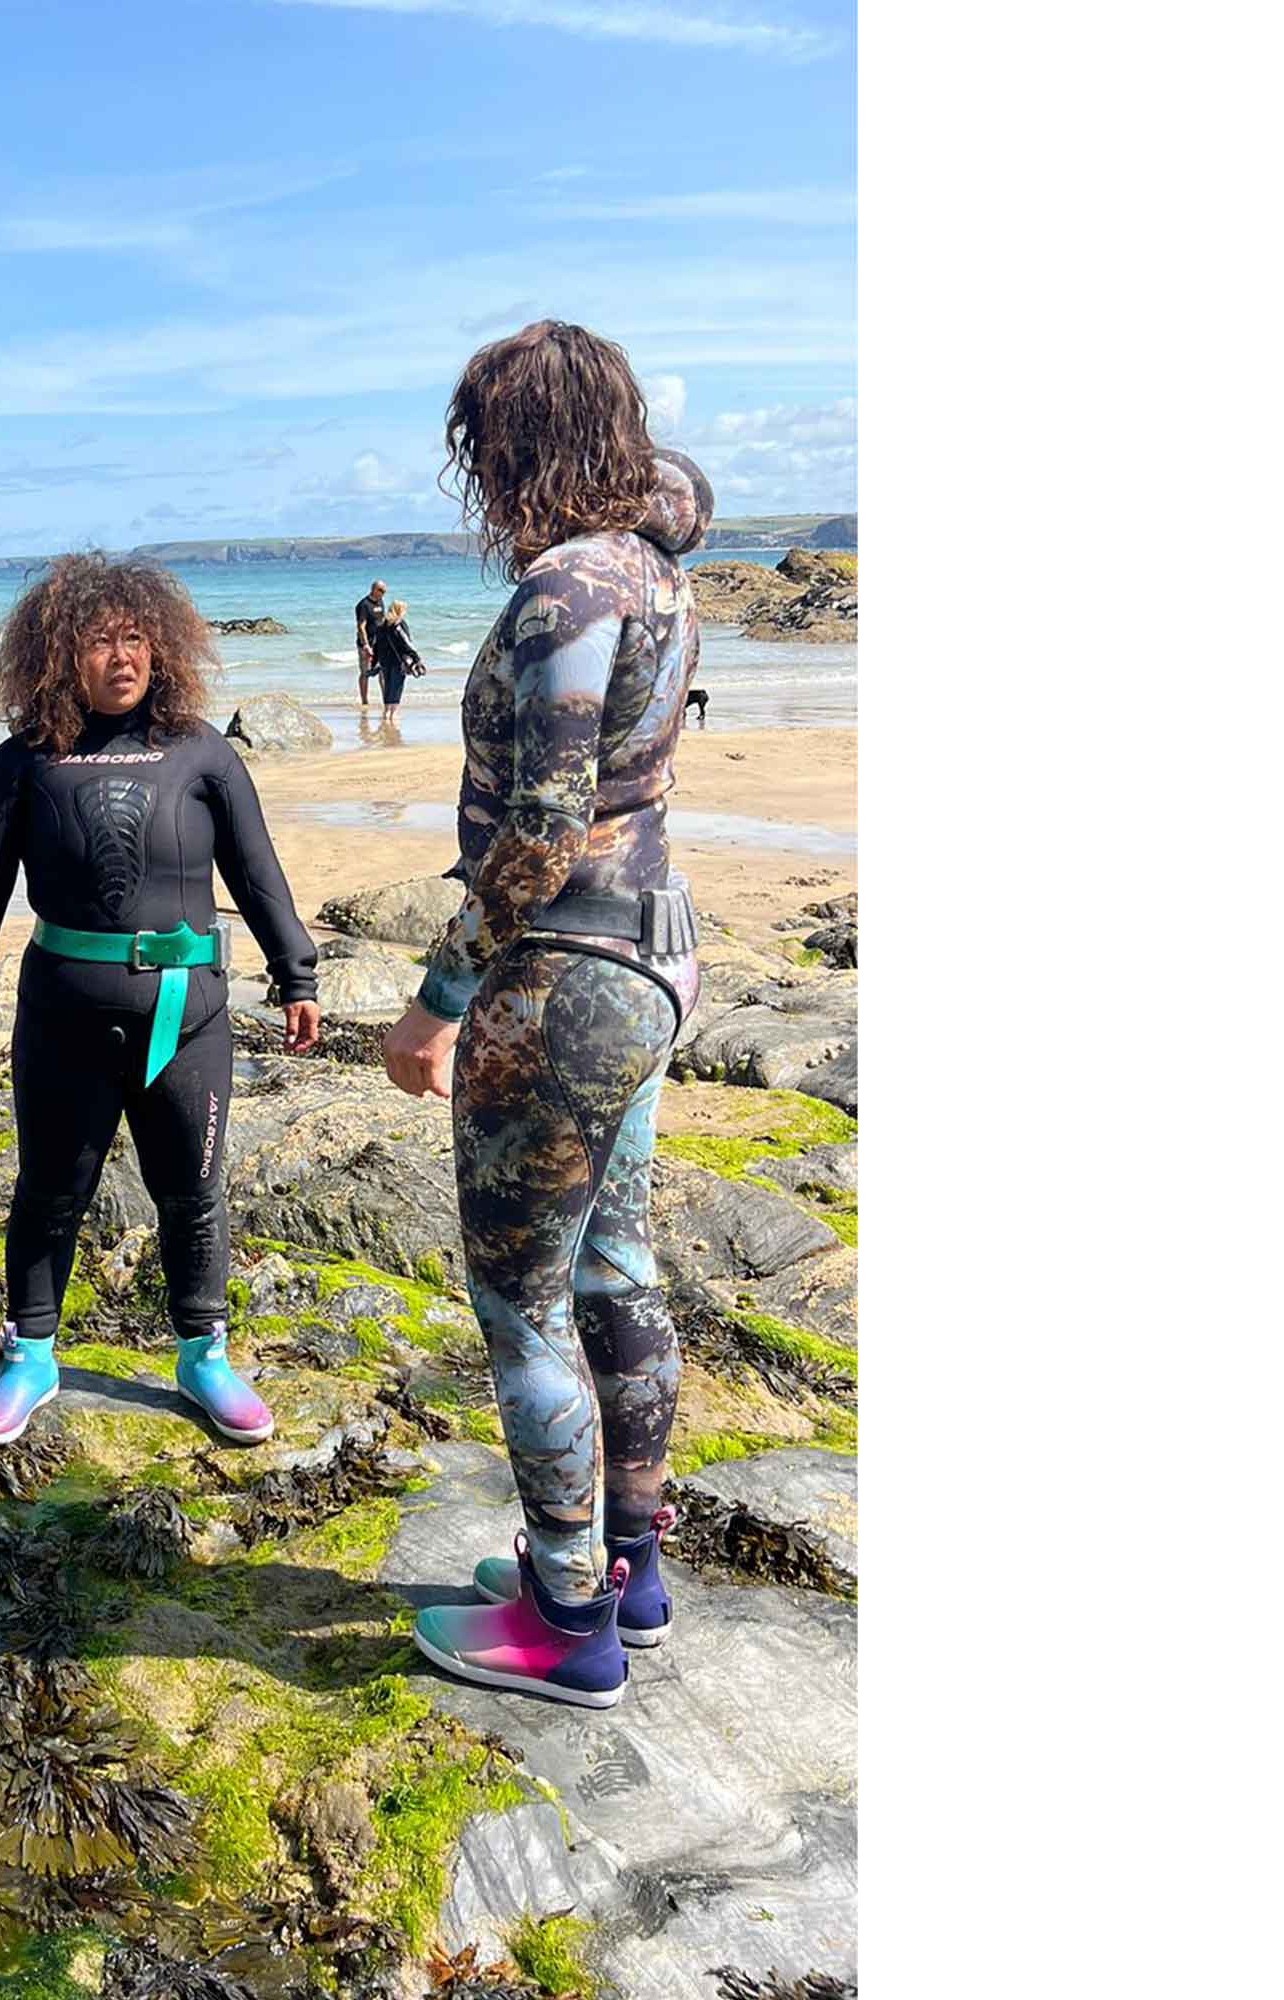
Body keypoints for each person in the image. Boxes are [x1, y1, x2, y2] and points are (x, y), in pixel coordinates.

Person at [383, 320, 711, 1708]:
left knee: (521, 1306)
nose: (478, 475)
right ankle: (627, 1568)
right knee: (616, 1267)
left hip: (564, 985)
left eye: (483, 444)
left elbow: (538, 832)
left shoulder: (569, 593)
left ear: (513, 444)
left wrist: (436, 995)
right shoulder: (654, 563)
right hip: (653, 960)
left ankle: (565, 1620)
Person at [0, 554, 323, 1447]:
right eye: (99, 643)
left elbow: (259, 874)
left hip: (189, 1014)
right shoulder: (22, 763)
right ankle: (32, 1355)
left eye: (135, 639)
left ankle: (203, 1355)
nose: (121, 658)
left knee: (191, 1188)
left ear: (162, 646)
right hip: (62, 1015)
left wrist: (295, 972)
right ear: (57, 656)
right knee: (48, 1190)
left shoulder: (202, 752)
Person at [374, 597, 432, 711]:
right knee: (397, 688)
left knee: (388, 687)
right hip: (398, 661)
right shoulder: (399, 625)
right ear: (400, 611)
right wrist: (417, 658)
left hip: (384, 662)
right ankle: (392, 714)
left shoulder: (381, 626)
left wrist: (374, 663)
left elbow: (377, 646)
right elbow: (406, 643)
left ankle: (386, 712)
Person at [354, 579, 391, 707]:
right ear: (374, 589)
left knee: (383, 671)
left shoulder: (380, 602)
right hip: (366, 644)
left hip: (380, 644)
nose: (383, 594)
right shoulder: (363, 605)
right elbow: (361, 626)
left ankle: (387, 700)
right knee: (365, 672)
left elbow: (382, 620)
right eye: (381, 591)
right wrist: (366, 645)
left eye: (384, 591)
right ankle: (364, 701)